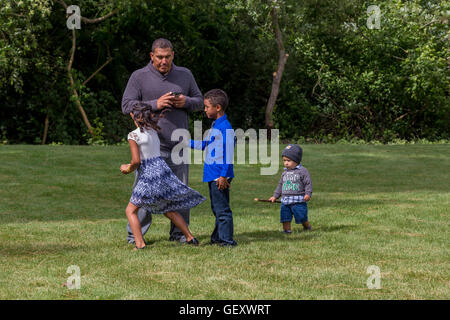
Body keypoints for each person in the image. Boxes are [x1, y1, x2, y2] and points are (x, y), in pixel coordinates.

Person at [121, 38, 204, 244]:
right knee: (144, 193)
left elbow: (200, 101)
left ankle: (179, 236)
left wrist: (186, 101)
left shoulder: (185, 74)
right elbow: (126, 105)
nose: (163, 61)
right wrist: (154, 104)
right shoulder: (139, 76)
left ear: (173, 55)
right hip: (151, 148)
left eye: (167, 57)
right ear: (151, 56)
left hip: (179, 144)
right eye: (159, 57)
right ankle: (135, 237)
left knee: (179, 192)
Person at [120, 103, 206, 249]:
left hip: (149, 176)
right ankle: (190, 237)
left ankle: (140, 244)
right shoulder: (154, 130)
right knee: (168, 208)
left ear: (133, 116)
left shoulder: (133, 135)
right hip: (162, 171)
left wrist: (127, 169)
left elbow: (136, 161)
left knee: (130, 210)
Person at [190, 89, 237, 247]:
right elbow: (205, 145)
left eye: (207, 106)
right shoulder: (215, 125)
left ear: (217, 107)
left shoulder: (225, 128)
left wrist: (223, 176)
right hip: (213, 174)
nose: (205, 109)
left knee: (222, 210)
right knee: (217, 208)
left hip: (219, 175)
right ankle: (217, 238)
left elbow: (228, 154)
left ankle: (227, 241)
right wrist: (185, 142)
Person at [269, 144, 313, 234]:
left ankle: (306, 225)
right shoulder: (284, 173)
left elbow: (308, 183)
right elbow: (280, 185)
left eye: (288, 160)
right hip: (285, 201)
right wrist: (275, 196)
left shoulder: (302, 171)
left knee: (302, 217)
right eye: (284, 160)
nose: (286, 163)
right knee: (285, 217)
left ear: (296, 160)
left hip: (298, 200)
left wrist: (308, 194)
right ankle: (287, 230)